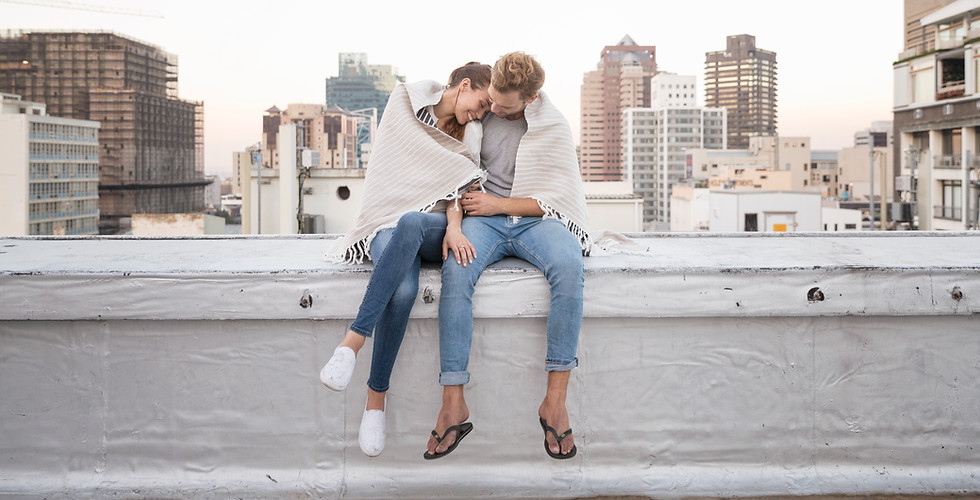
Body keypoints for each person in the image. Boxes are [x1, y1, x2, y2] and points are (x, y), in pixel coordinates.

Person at [320, 62, 492, 457]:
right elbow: (389, 172)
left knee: (413, 221)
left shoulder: (472, 132)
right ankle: (375, 401)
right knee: (402, 291)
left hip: (434, 228)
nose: (480, 114)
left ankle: (351, 343)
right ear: (464, 85)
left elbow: (464, 184)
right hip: (385, 221)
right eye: (481, 103)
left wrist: (453, 226)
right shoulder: (405, 104)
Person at [424, 52, 591, 460]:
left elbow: (558, 200)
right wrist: (462, 218)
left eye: (503, 106)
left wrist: (498, 204)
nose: (492, 110)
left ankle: (555, 402)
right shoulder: (480, 115)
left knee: (570, 266)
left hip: (535, 221)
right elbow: (456, 174)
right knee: (456, 270)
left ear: (530, 99)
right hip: (484, 221)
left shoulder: (553, 126)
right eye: (492, 100)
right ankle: (453, 402)